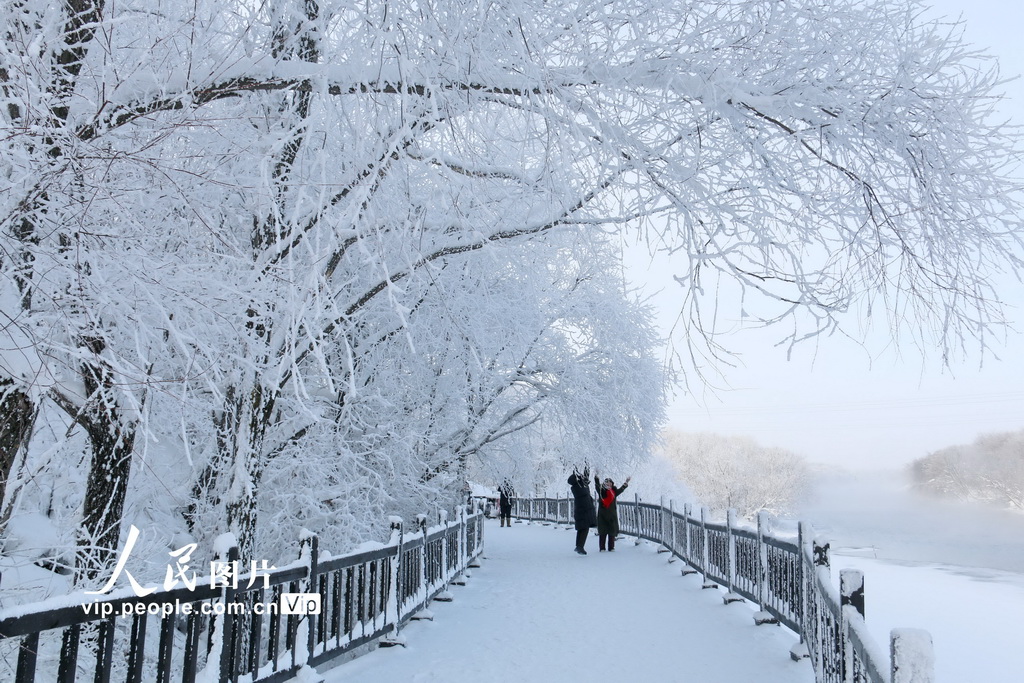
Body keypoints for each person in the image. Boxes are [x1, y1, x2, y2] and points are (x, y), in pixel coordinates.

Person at [594, 474, 630, 551]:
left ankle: (611, 547)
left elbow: (621, 490)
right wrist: (596, 478)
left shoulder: (614, 492)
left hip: (612, 515)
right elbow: (597, 486)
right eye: (607, 482)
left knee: (612, 531)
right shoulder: (601, 491)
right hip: (602, 515)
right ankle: (602, 547)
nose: (608, 484)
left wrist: (625, 483)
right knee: (603, 532)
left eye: (610, 482)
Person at [567, 469, 596, 554]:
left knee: (581, 529)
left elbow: (585, 482)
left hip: (581, 510)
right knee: (584, 529)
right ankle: (580, 546)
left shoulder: (576, 487)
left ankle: (579, 546)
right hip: (584, 510)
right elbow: (585, 484)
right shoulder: (579, 487)